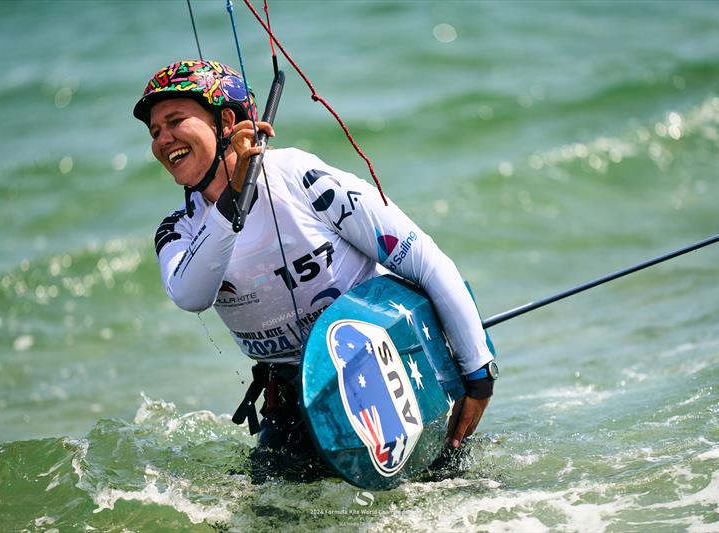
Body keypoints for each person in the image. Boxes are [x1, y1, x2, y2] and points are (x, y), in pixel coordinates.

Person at [133, 59, 498, 472]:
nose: (163, 139)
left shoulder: (298, 176)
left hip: (390, 380)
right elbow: (190, 294)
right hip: (290, 410)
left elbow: (424, 260)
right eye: (154, 132)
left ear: (227, 121)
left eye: (175, 120)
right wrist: (232, 199)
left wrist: (478, 374)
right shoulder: (178, 231)